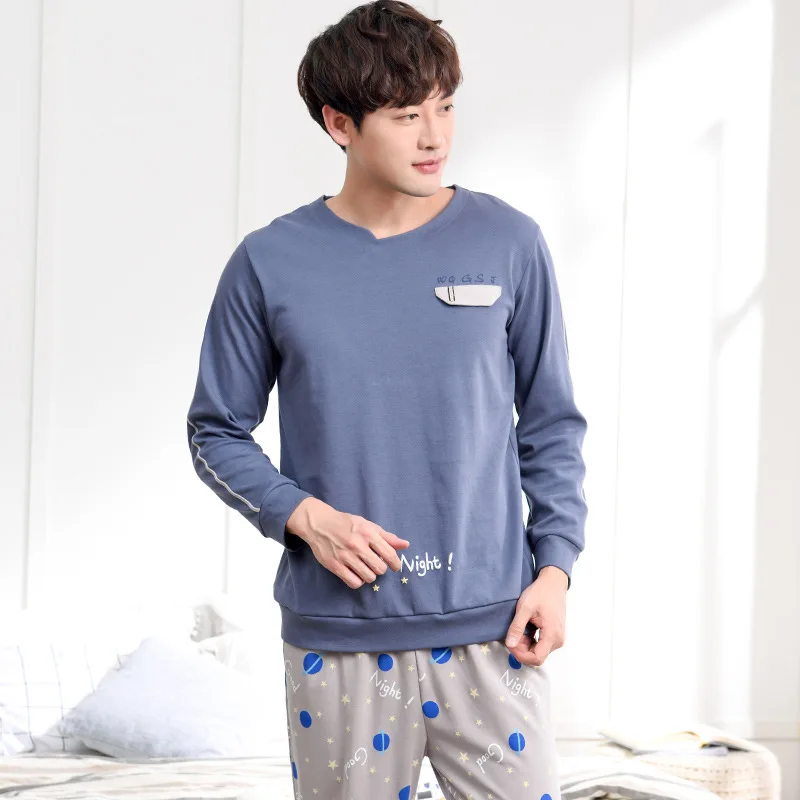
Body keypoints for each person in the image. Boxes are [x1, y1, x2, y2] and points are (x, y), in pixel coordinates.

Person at [186, 2, 588, 797]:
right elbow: (215, 432)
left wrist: (556, 570)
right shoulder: (270, 262)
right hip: (337, 637)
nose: (435, 136)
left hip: (495, 628)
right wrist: (305, 517)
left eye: (445, 107)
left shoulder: (509, 242)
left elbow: (550, 424)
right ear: (339, 123)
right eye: (407, 116)